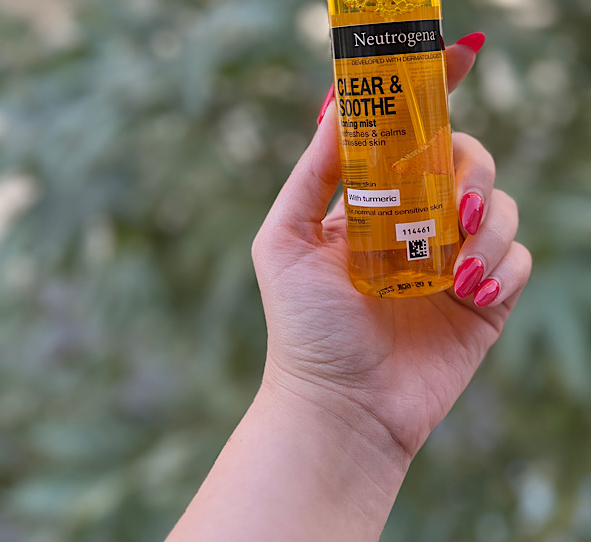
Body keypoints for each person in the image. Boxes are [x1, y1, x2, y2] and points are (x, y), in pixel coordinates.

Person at [167, 34, 532, 541]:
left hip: (423, 270)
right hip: (373, 271)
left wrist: (340, 408)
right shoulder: (353, 0)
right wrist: (331, 399)